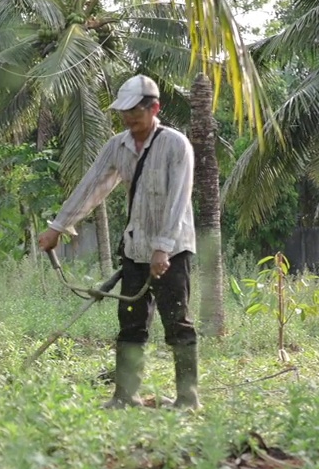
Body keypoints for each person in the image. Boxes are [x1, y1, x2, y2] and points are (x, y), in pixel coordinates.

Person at [37, 74, 199, 409]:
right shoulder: (117, 145)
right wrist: (58, 227)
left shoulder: (175, 145)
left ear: (155, 108)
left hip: (172, 250)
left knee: (177, 323)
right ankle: (125, 396)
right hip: (135, 249)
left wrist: (162, 247)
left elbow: (178, 200)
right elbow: (91, 187)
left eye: (135, 110)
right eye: (124, 111)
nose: (129, 117)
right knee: (130, 324)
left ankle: (188, 398)